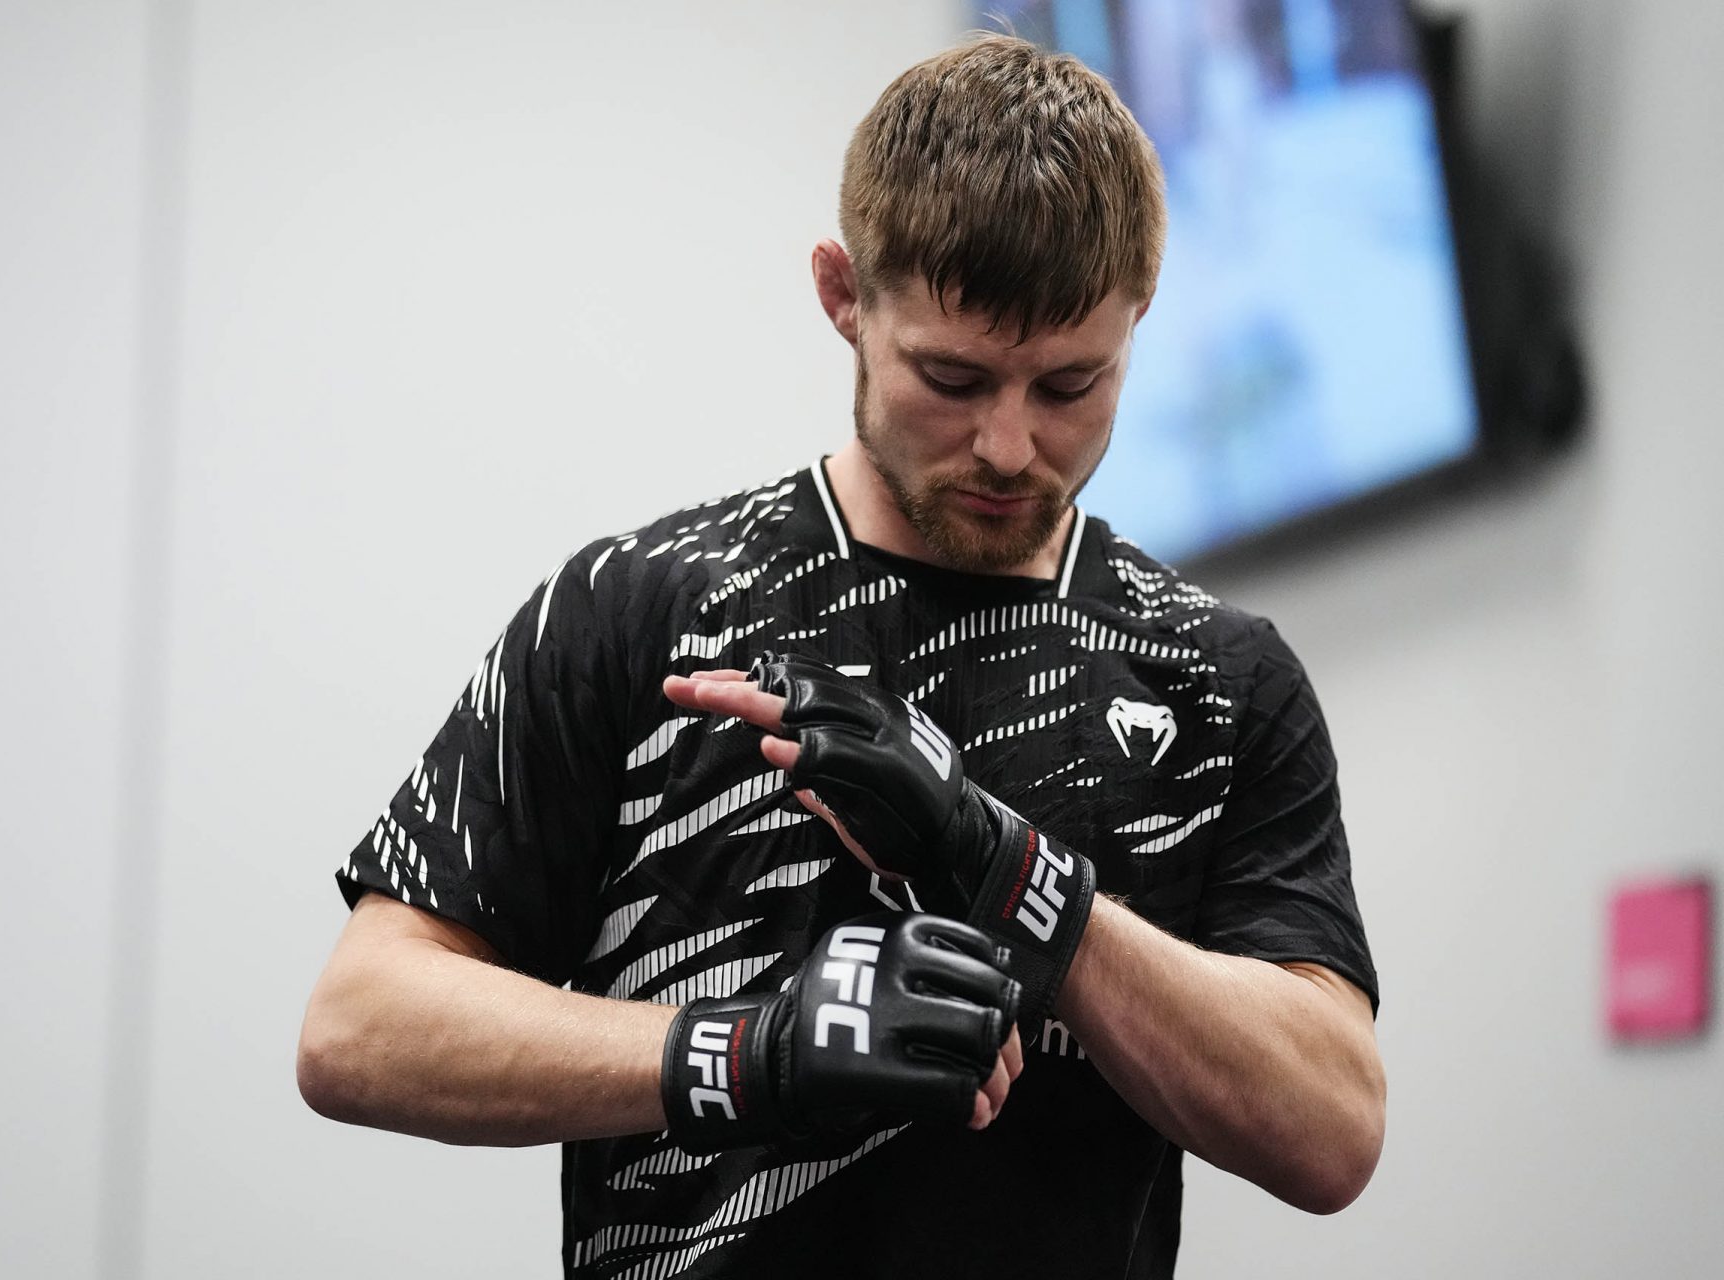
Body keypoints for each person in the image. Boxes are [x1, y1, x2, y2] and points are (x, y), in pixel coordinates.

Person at [297, 32, 1384, 1280]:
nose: (1012, 445)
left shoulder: (1218, 677)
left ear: (1141, 317)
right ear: (842, 296)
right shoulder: (639, 610)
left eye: (1072, 383)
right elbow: (360, 1023)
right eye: (953, 376)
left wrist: (1008, 870)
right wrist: (746, 1054)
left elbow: (1333, 1125)